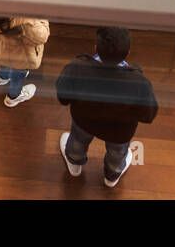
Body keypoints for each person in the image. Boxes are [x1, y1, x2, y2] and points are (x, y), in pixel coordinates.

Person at [56, 26, 158, 188]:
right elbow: (148, 115)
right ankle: (111, 176)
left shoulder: (76, 68)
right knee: (117, 153)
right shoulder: (139, 83)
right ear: (128, 52)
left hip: (84, 121)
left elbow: (63, 98)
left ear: (95, 47)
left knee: (77, 141)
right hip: (119, 131)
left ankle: (74, 164)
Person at [0, 14, 50, 107]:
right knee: (18, 77)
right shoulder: (26, 24)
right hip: (21, 58)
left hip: (0, 50)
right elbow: (43, 36)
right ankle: (13, 98)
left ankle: (2, 78)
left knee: (3, 64)